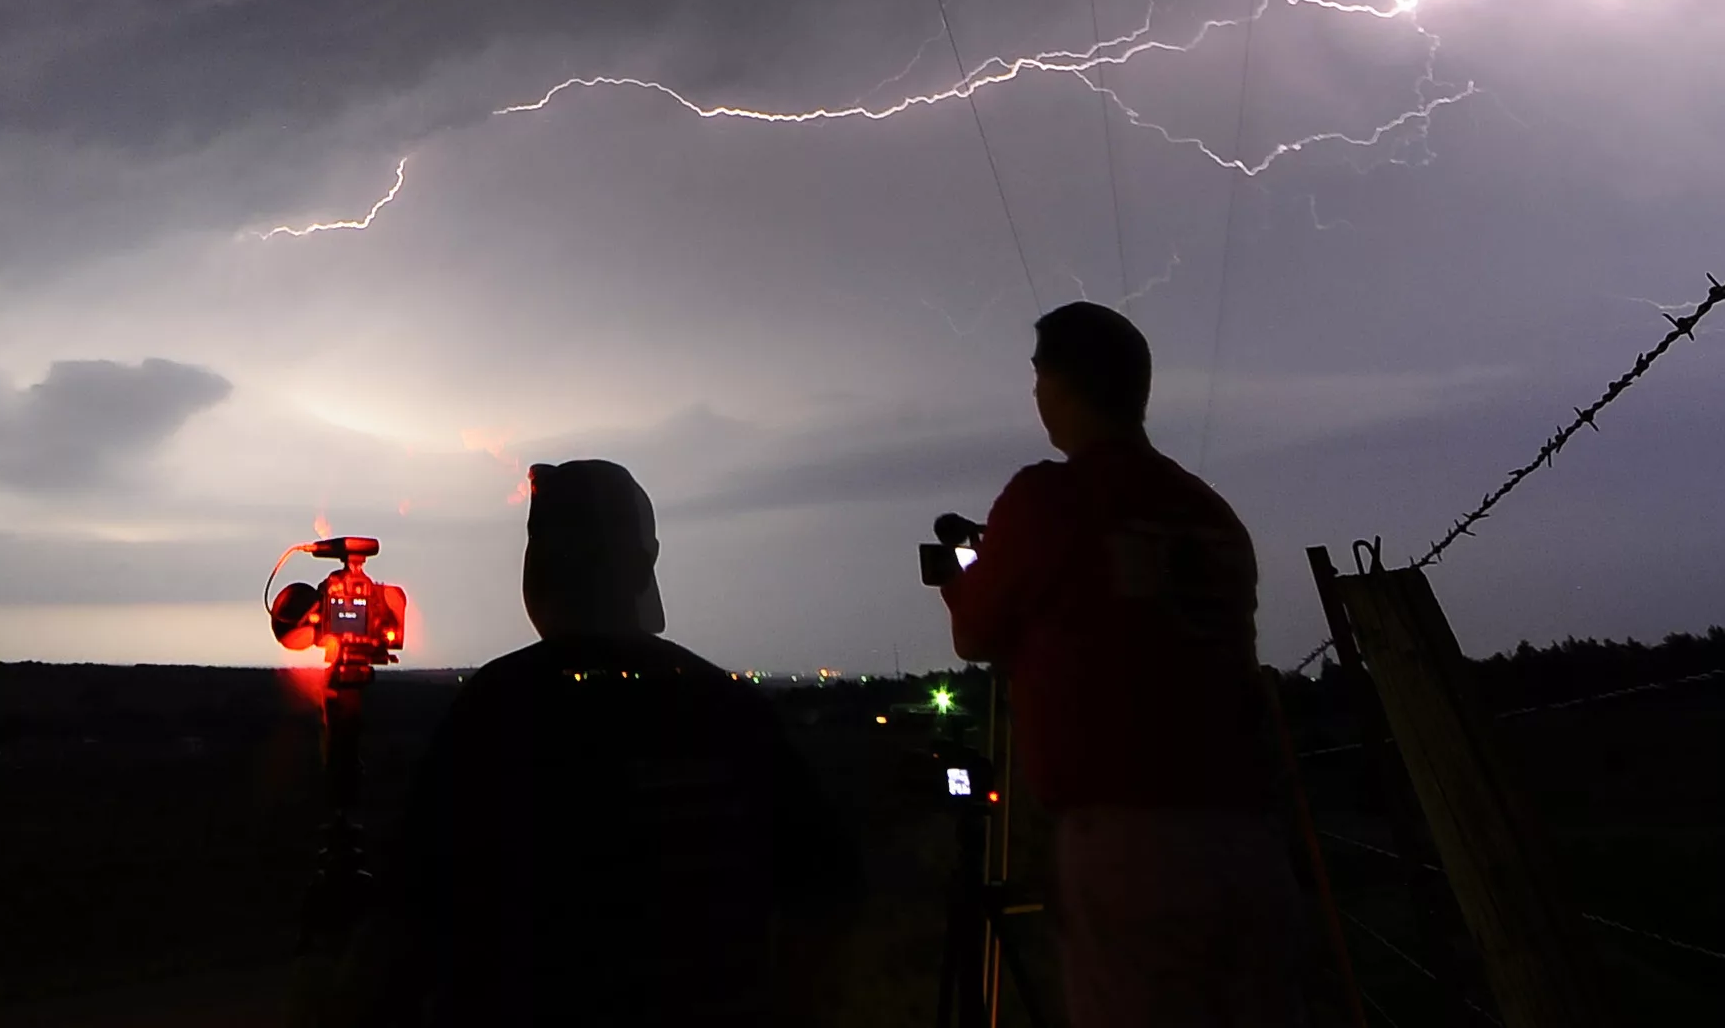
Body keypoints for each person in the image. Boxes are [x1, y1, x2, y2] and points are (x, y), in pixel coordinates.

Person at [355, 458, 857, 1026]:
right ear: (641, 569)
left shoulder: (496, 706)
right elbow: (826, 889)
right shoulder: (728, 707)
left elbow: (411, 916)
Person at [940, 302, 1305, 1028]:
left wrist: (960, 572)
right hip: (1253, 844)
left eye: (1038, 376)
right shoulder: (1208, 510)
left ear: (1058, 384)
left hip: (1130, 850)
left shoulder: (1048, 498)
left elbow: (976, 631)